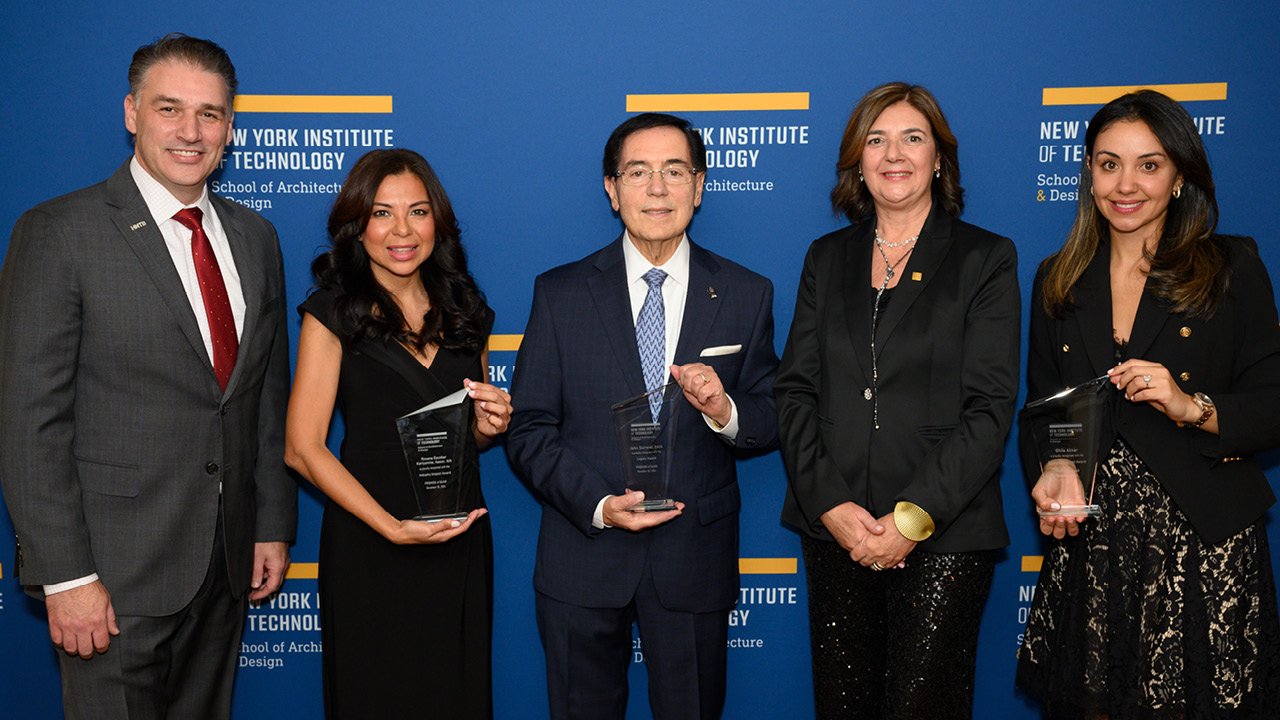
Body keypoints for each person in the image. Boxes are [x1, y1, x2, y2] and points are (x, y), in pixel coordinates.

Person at [0, 33, 295, 719]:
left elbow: (264, 397)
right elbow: (28, 420)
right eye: (170, 109)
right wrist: (67, 576)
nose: (191, 132)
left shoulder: (255, 237)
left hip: (225, 568)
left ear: (230, 125)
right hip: (112, 579)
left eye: (211, 114)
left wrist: (272, 523)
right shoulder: (59, 232)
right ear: (132, 112)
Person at [504, 112, 779, 720]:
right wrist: (598, 505)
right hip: (583, 557)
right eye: (638, 172)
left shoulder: (744, 291)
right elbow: (528, 429)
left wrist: (724, 409)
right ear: (612, 188)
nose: (657, 188)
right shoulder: (561, 293)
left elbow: (772, 410)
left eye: (674, 170)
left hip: (693, 561)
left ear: (700, 186)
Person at [1017, 89, 1280, 718]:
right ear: (1088, 174)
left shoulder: (1229, 265)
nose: (1125, 184)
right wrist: (1055, 468)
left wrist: (1193, 406)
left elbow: (1273, 404)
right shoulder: (1059, 278)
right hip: (1097, 548)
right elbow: (1046, 410)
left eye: (1149, 164)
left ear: (1180, 175)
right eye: (1108, 164)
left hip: (1203, 543)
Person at [774, 82, 1020, 719]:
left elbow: (990, 409)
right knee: (843, 705)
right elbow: (795, 389)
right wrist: (828, 504)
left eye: (913, 137)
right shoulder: (827, 258)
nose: (894, 154)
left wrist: (911, 520)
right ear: (858, 160)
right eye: (876, 140)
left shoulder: (984, 258)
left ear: (939, 157)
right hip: (838, 532)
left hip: (944, 534)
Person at [284, 148, 509, 719]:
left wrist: (489, 426)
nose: (402, 230)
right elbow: (301, 447)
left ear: (439, 220)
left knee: (455, 694)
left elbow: (468, 437)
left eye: (418, 211)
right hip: (370, 541)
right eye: (383, 213)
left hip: (458, 536)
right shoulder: (332, 312)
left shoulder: (466, 310)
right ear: (358, 226)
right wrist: (392, 528)